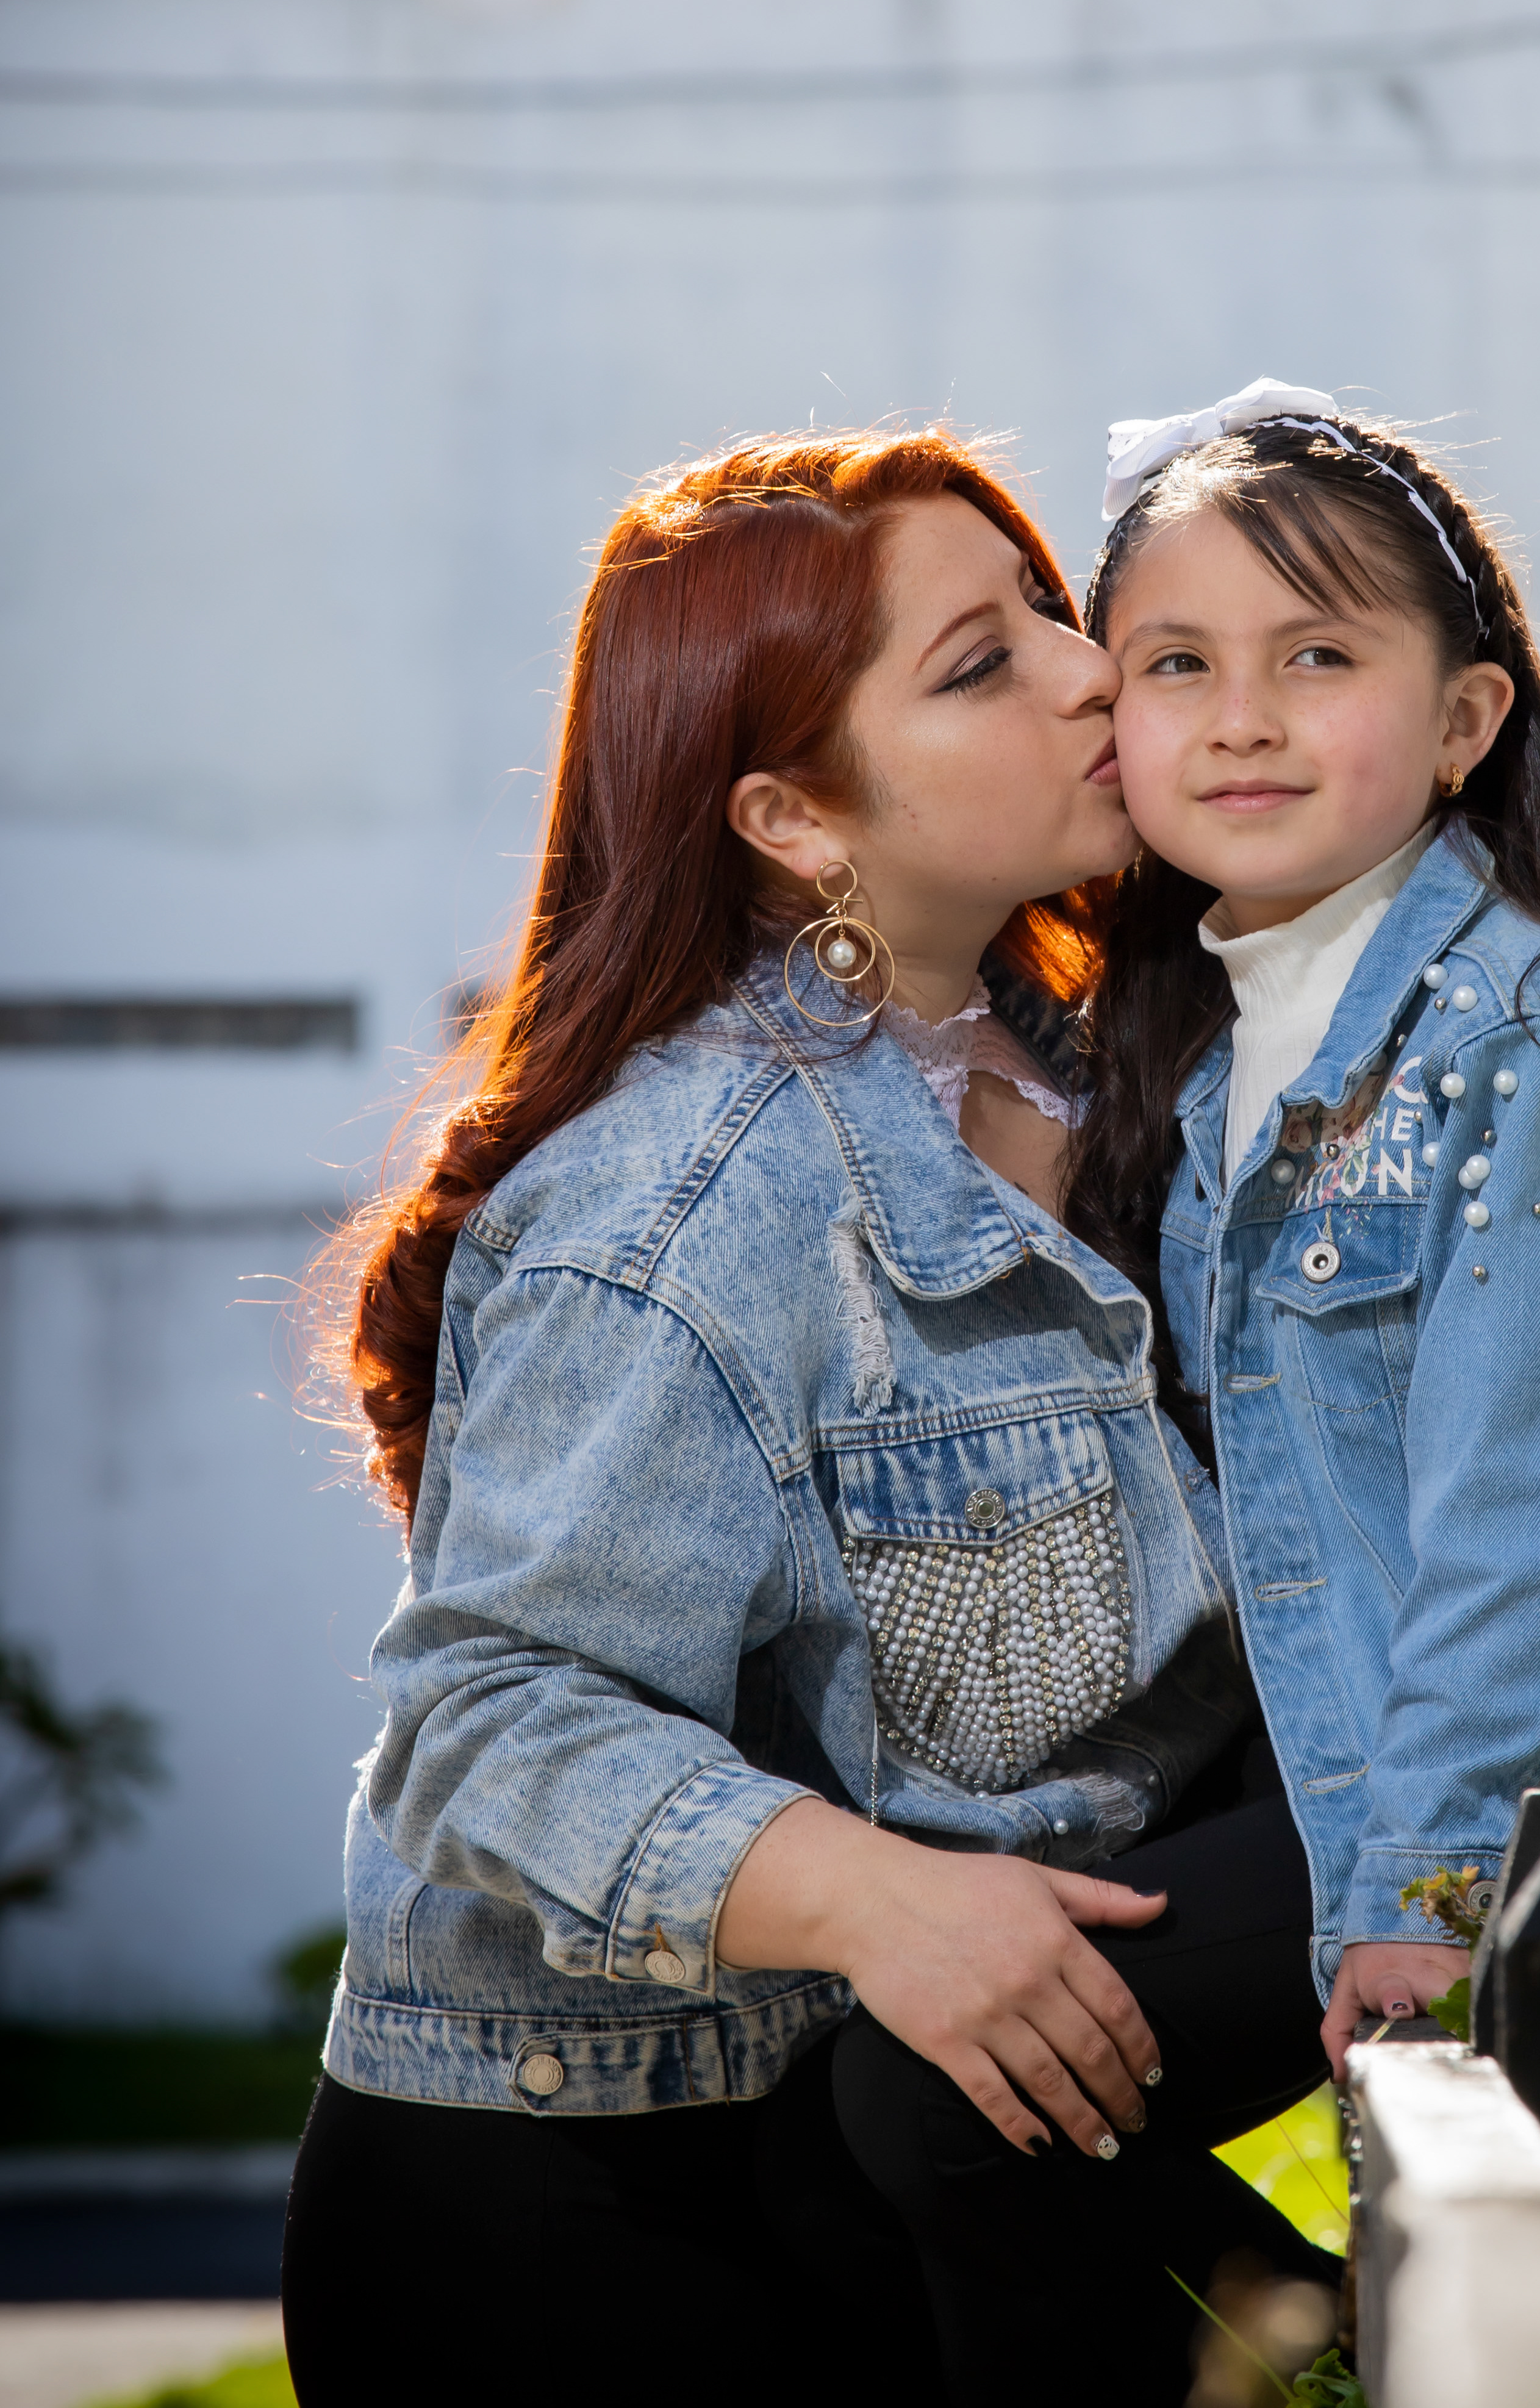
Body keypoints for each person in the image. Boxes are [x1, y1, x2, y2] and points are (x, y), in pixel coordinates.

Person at [282, 430, 1336, 2408]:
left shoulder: (1123, 1075)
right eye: (981, 663)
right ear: (793, 817)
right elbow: (486, 1718)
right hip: (597, 2223)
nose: (1091, 670)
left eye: (1049, 608)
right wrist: (870, 1894)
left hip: (896, 2152)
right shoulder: (681, 1205)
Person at [1064, 381, 1540, 2069]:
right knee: (903, 2075)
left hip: (1503, 1852)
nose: (1242, 720)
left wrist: (1432, 1886)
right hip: (1319, 1794)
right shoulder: (1198, 1061)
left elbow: (1525, 1526)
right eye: (1178, 664)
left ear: (1464, 721)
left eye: (1317, 656)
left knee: (926, 2104)